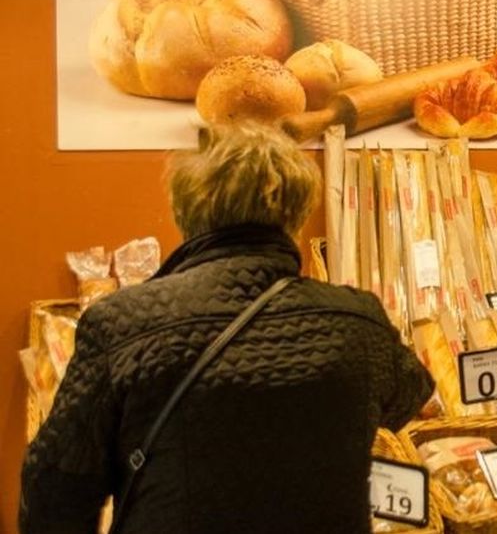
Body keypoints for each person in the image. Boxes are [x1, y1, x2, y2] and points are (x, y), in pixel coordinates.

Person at [20, 121, 433, 534]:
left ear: (185, 211)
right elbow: (411, 396)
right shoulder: (359, 321)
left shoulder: (121, 323)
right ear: (298, 212)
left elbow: (54, 492)